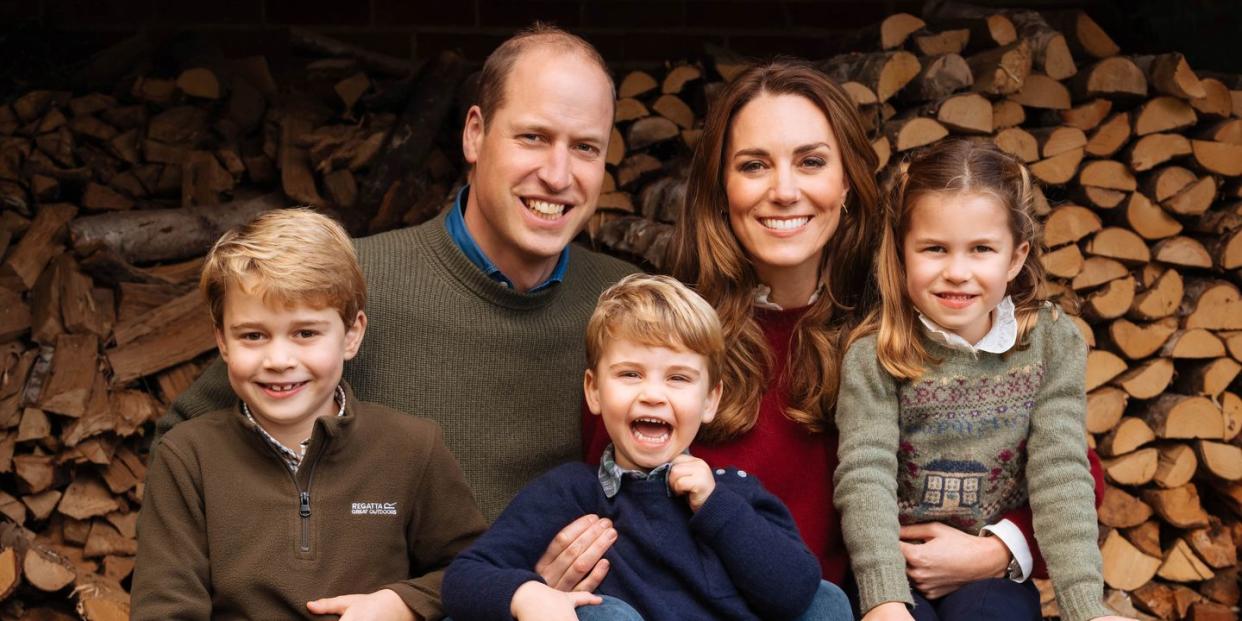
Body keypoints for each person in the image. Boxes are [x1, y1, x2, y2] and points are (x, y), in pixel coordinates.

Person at [582, 59, 1099, 602]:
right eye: (754, 165)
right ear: (720, 187)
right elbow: (604, 483)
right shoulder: (671, 331)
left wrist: (996, 549)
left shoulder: (907, 319)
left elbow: (1070, 469)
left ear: (847, 179)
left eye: (810, 162)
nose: (784, 191)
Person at [157, 24, 637, 533]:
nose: (558, 175)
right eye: (533, 137)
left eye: (586, 148)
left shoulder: (628, 308)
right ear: (475, 133)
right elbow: (183, 447)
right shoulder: (350, 285)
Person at [132, 209, 487, 620]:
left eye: (305, 333)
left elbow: (473, 571)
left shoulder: (412, 449)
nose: (279, 359)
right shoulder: (187, 458)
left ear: (352, 334)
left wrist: (402, 603)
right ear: (222, 342)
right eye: (253, 335)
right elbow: (163, 608)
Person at [833, 140, 1129, 621]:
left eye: (981, 250)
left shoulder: (1051, 343)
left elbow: (1062, 473)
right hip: (891, 567)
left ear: (1015, 258)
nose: (957, 271)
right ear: (902, 252)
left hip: (985, 574)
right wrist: (883, 597)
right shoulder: (877, 353)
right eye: (934, 248)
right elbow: (864, 477)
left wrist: (1085, 608)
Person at [442, 274, 850, 621]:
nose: (653, 395)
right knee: (604, 615)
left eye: (678, 378)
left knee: (827, 600)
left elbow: (796, 592)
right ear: (594, 391)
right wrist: (528, 594)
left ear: (710, 400)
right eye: (631, 374)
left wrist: (716, 507)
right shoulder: (572, 493)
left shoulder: (733, 493)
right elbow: (464, 578)